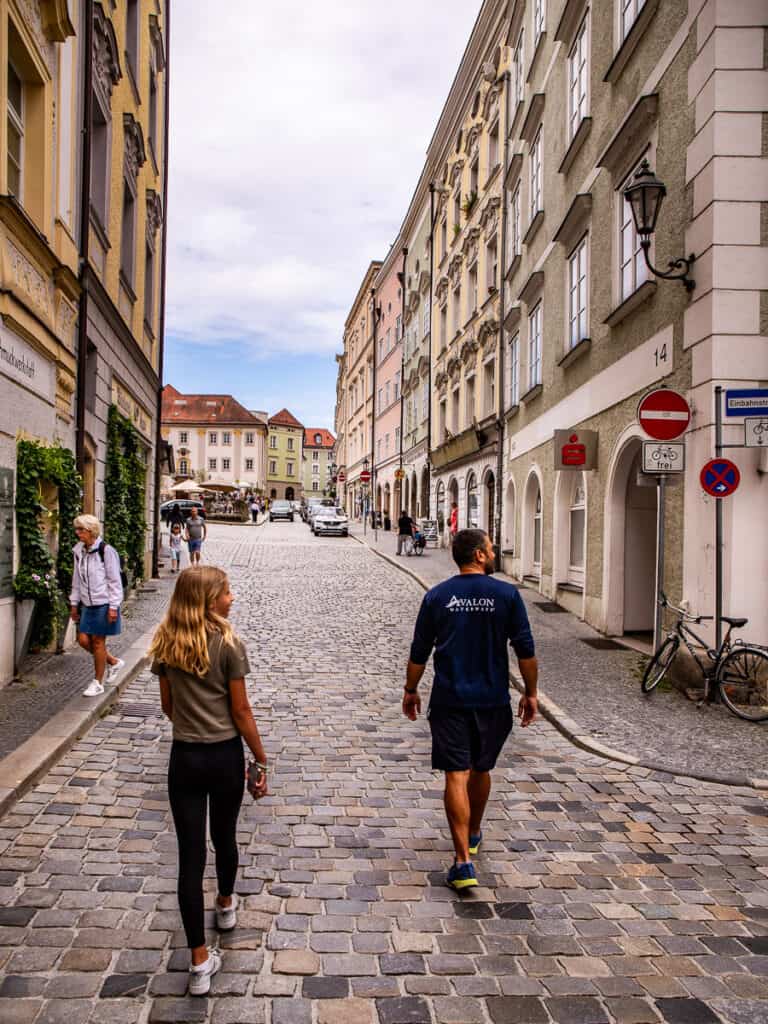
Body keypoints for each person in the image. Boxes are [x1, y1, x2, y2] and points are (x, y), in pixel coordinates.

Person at [149, 566, 268, 996]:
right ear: (208, 600)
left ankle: (199, 961)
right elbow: (241, 711)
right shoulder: (230, 644)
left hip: (184, 756)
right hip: (222, 755)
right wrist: (260, 758)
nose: (232, 598)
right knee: (225, 836)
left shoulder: (165, 641)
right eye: (226, 592)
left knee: (190, 856)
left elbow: (167, 705)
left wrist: (192, 723)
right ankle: (225, 905)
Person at [403, 528, 538, 890]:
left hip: (450, 699)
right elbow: (525, 650)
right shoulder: (507, 594)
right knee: (480, 768)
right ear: (479, 555)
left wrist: (411, 689)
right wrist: (531, 693)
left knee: (456, 774)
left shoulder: (437, 596)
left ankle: (463, 862)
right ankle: (473, 834)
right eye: (491, 549)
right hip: (493, 700)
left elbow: (420, 651)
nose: (494, 553)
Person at [69, 514, 125, 698]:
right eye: (77, 529)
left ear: (91, 531)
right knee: (83, 641)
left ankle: (97, 683)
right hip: (87, 604)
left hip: (104, 603)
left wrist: (113, 606)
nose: (77, 533)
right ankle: (114, 662)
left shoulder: (106, 551)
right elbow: (76, 580)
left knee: (98, 642)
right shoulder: (79, 552)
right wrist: (74, 604)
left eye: (81, 530)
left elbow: (114, 581)